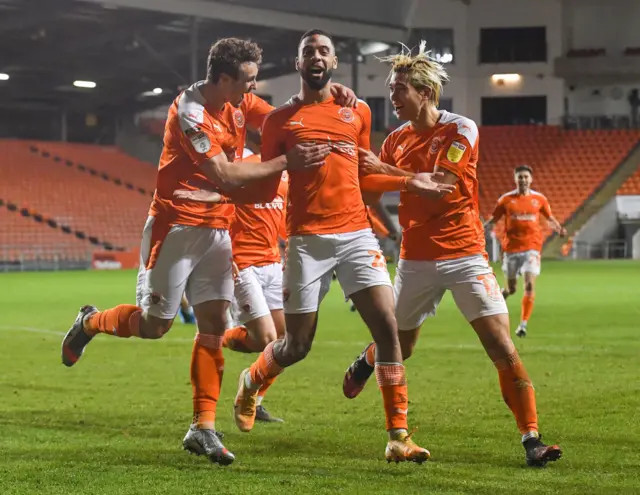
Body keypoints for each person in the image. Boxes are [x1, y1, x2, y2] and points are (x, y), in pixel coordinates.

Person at [60, 37, 357, 466]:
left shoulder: (237, 102)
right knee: (154, 325)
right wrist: (285, 163)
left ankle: (202, 427)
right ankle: (90, 322)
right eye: (247, 81)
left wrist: (331, 97)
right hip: (175, 228)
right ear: (222, 78)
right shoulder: (191, 112)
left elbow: (283, 118)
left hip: (218, 229)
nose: (252, 91)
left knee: (214, 325)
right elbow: (225, 173)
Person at [228, 29, 454, 464]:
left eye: (324, 50)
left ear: (333, 63)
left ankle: (398, 436)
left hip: (355, 235)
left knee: (388, 329)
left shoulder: (358, 112)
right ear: (298, 63)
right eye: (308, 51)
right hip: (307, 242)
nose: (317, 55)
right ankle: (251, 381)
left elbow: (365, 176)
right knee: (298, 346)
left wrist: (408, 180)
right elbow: (271, 185)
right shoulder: (278, 122)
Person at [341, 42, 563, 467]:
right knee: (399, 347)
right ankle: (370, 358)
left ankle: (532, 439)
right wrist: (391, 176)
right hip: (416, 258)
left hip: (464, 255)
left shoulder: (461, 129)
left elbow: (441, 185)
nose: (392, 97)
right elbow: (366, 187)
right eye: (391, 88)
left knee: (500, 344)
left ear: (425, 92)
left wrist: (390, 174)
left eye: (400, 88)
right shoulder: (395, 141)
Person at [175, 148, 288, 423]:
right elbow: (216, 210)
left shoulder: (286, 175)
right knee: (266, 340)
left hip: (273, 264)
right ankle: (218, 335)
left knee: (287, 345)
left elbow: (283, 218)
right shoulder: (237, 168)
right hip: (242, 264)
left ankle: (255, 399)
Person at [484, 165, 567, 337]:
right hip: (511, 249)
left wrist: (559, 229)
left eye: (525, 177)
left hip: (532, 248)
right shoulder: (506, 200)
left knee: (529, 284)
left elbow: (549, 218)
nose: (523, 180)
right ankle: (499, 298)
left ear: (531, 179)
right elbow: (494, 219)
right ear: (515, 179)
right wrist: (479, 230)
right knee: (512, 289)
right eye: (520, 177)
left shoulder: (539, 199)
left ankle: (522, 325)